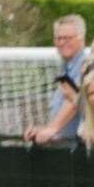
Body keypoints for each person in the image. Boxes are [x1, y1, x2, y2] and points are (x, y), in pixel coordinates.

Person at [25, 13, 88, 143]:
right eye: (58, 38)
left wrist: (52, 129)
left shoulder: (86, 65)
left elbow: (73, 102)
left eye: (67, 38)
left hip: (79, 146)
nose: (61, 42)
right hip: (64, 143)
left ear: (81, 39)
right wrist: (44, 129)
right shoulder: (65, 66)